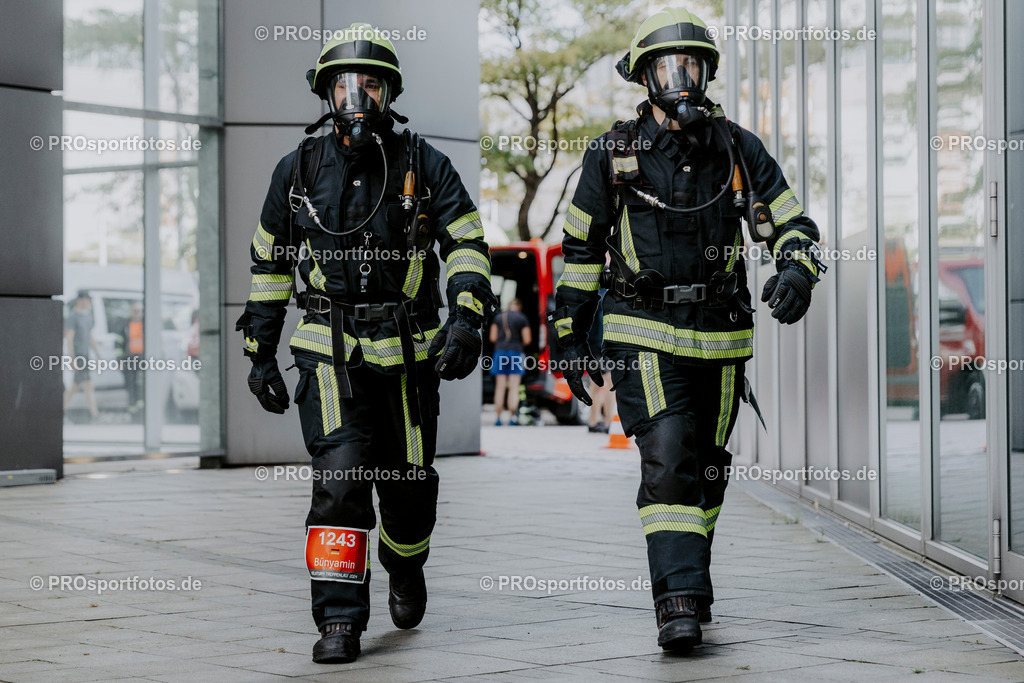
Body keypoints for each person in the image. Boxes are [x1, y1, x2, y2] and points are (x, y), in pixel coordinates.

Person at [549, 8, 824, 652]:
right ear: (644, 79)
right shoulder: (612, 154)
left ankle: (686, 577)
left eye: (691, 66)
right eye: (667, 68)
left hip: (721, 337)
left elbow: (793, 225)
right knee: (668, 454)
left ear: (706, 73)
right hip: (640, 330)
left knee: (705, 470)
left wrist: (798, 272)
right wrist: (569, 336)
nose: (680, 80)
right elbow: (582, 253)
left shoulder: (738, 147)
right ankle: (678, 604)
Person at [235, 24, 496, 665]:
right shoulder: (295, 170)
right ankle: (340, 619)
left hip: (409, 358)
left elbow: (467, 244)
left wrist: (465, 318)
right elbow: (269, 265)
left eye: (370, 85)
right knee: (340, 481)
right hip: (328, 354)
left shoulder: (423, 163)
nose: (357, 97)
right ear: (327, 96)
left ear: (389, 93)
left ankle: (405, 563)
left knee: (406, 489)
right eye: (345, 85)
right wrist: (260, 352)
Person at [489, 298, 531, 425]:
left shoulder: (498, 317)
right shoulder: (522, 318)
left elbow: (492, 337)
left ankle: (498, 418)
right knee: (514, 387)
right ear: (518, 306)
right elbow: (527, 339)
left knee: (500, 387)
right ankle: (512, 418)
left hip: (500, 352)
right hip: (516, 352)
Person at [63, 290, 100, 420]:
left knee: (80, 386)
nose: (86, 303)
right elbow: (69, 339)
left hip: (85, 355)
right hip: (78, 355)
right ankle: (94, 414)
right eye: (84, 300)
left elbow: (91, 337)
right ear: (79, 300)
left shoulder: (88, 317)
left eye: (88, 301)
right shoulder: (72, 317)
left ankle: (93, 414)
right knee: (83, 385)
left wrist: (98, 354)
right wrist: (72, 358)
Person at [586, 288, 614, 433]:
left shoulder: (588, 295)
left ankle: (593, 421)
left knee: (595, 384)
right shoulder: (608, 296)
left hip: (590, 345)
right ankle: (609, 422)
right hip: (604, 344)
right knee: (610, 383)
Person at [115, 301, 145, 417]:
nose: (137, 314)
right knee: (130, 385)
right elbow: (118, 345)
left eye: (139, 311)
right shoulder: (124, 327)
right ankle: (133, 412)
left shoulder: (146, 325)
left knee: (141, 385)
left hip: (142, 360)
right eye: (135, 311)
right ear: (131, 312)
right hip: (129, 359)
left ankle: (142, 411)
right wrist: (120, 361)